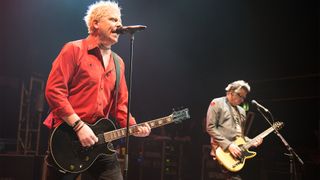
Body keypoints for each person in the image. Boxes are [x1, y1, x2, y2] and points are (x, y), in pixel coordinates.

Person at [42, 1, 151, 180]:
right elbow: (54, 90)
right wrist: (79, 126)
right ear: (95, 23)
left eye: (120, 20)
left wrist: (134, 127)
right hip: (68, 137)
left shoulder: (118, 63)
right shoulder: (74, 50)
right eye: (113, 19)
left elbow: (120, 105)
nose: (119, 25)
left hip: (100, 140)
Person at [206, 80, 263, 180]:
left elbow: (240, 137)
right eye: (240, 95)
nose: (242, 100)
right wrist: (229, 145)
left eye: (244, 97)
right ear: (230, 92)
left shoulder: (241, 111)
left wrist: (251, 141)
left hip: (236, 156)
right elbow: (210, 127)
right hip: (221, 153)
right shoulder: (217, 102)